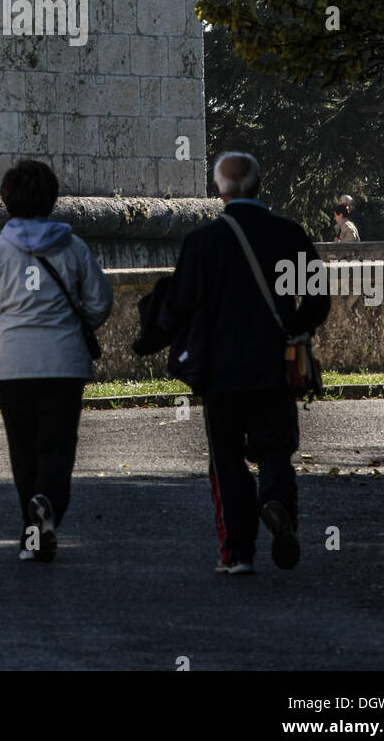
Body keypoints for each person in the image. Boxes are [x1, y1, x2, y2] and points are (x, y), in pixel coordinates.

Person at [134, 152, 329, 576]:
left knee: (226, 460)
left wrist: (151, 332)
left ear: (219, 189)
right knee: (275, 447)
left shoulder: (203, 241)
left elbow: (180, 305)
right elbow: (317, 300)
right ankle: (277, 503)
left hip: (219, 369)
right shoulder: (289, 235)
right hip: (275, 364)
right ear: (259, 185)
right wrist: (291, 329)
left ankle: (238, 553)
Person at [0, 159, 113, 563]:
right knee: (57, 446)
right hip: (64, 362)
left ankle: (32, 536)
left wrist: (7, 325)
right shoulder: (74, 248)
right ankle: (47, 504)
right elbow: (100, 302)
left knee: (23, 449)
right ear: (52, 199)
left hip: (12, 364)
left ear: (7, 200)